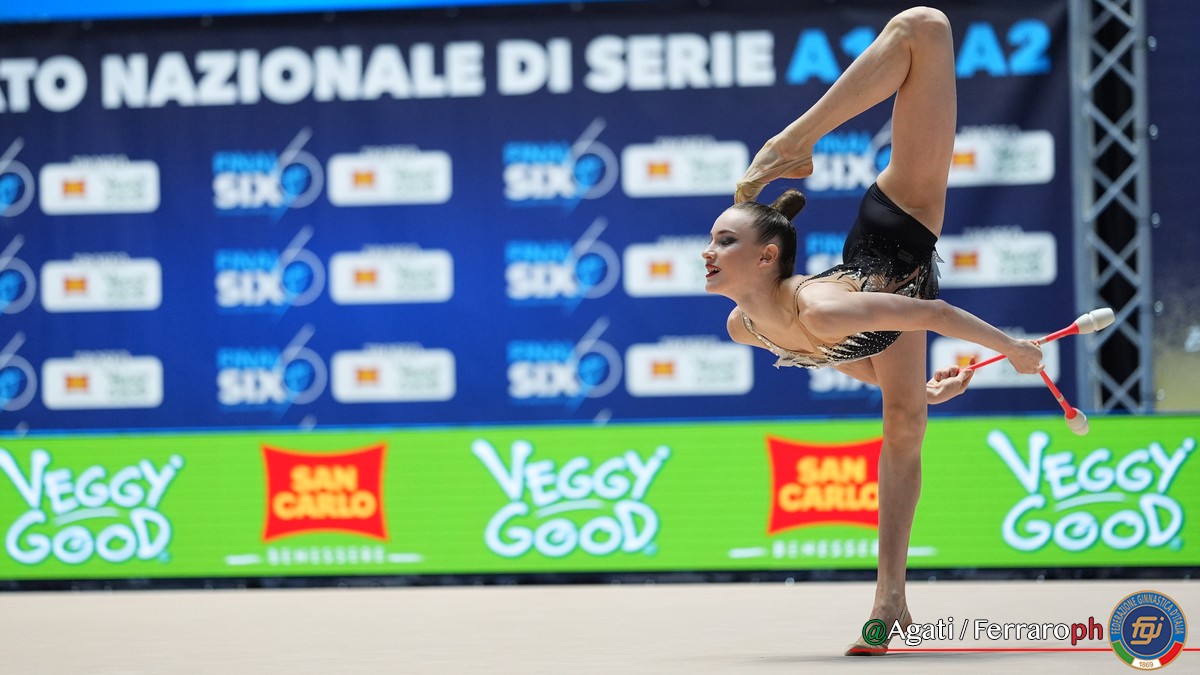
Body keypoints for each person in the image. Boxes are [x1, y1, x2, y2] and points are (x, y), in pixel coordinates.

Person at [701, 6, 1045, 655]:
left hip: (899, 231)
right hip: (886, 309)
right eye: (712, 239)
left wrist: (1013, 350)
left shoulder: (819, 309)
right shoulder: (744, 327)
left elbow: (934, 316)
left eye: (724, 240)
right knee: (907, 419)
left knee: (925, 27)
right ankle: (892, 599)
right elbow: (832, 353)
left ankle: (791, 142)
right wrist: (917, 386)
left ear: (767, 257)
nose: (707, 251)